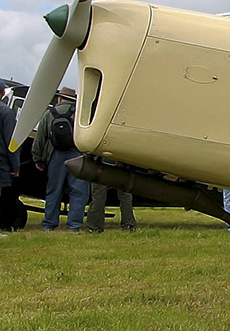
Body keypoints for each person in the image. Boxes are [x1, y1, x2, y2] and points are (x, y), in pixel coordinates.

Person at [34, 88, 87, 232]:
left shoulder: (49, 114)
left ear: (59, 99)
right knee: (78, 192)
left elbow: (40, 138)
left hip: (55, 155)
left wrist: (37, 158)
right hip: (77, 154)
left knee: (53, 190)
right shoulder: (80, 113)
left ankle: (49, 224)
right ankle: (74, 225)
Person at [85, 168, 135, 232]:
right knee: (125, 196)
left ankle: (95, 227)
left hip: (102, 166)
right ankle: (128, 225)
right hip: (123, 167)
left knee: (98, 196)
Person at [0, 87, 22, 231]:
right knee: (5, 198)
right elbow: (11, 142)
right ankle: (4, 226)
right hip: (1, 163)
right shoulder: (6, 112)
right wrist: (16, 167)